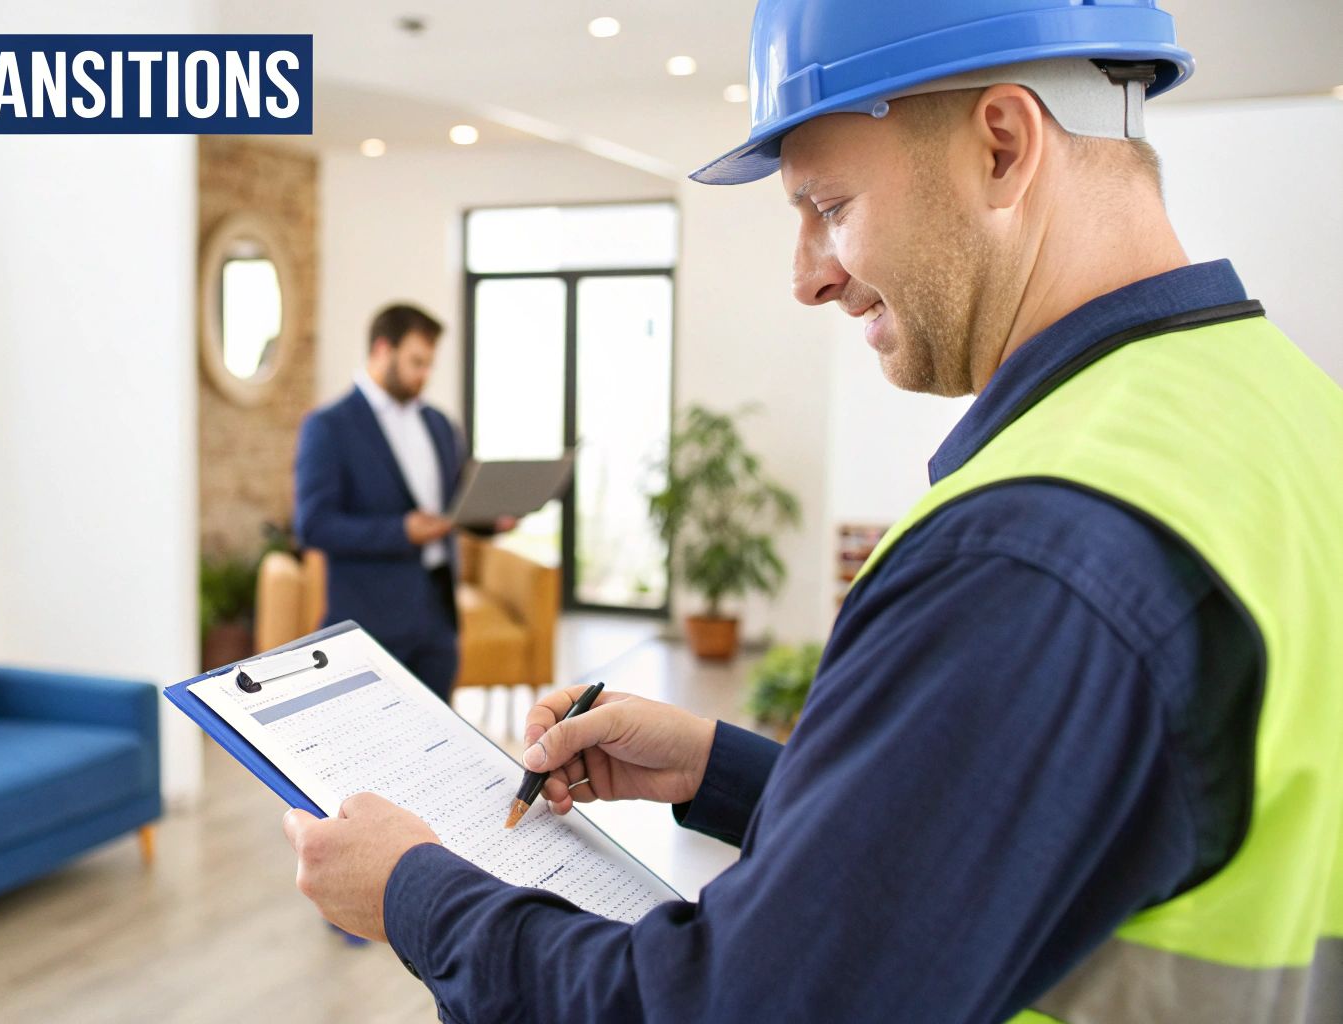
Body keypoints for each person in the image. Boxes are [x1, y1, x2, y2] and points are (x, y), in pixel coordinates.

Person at [280, 1, 1343, 1020]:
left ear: (1002, 147)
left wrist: (414, 891)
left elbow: (729, 1006)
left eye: (828, 208)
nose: (806, 277)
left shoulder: (1029, 549)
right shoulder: (1279, 410)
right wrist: (721, 768)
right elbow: (1036, 839)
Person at [295, 303, 508, 703]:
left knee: (438, 742)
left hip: (439, 617)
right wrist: (400, 531)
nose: (424, 375)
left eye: (430, 364)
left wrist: (491, 519)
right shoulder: (328, 427)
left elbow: (453, 504)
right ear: (381, 350)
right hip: (370, 621)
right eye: (416, 362)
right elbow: (313, 525)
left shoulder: (439, 424)